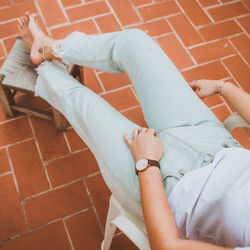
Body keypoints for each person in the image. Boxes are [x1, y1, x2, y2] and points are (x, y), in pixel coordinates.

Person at [18, 12, 250, 250]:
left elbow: (167, 245)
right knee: (134, 42)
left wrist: (147, 163)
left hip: (167, 185)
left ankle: (45, 68)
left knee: (85, 106)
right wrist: (224, 87)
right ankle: (47, 48)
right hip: (215, 141)